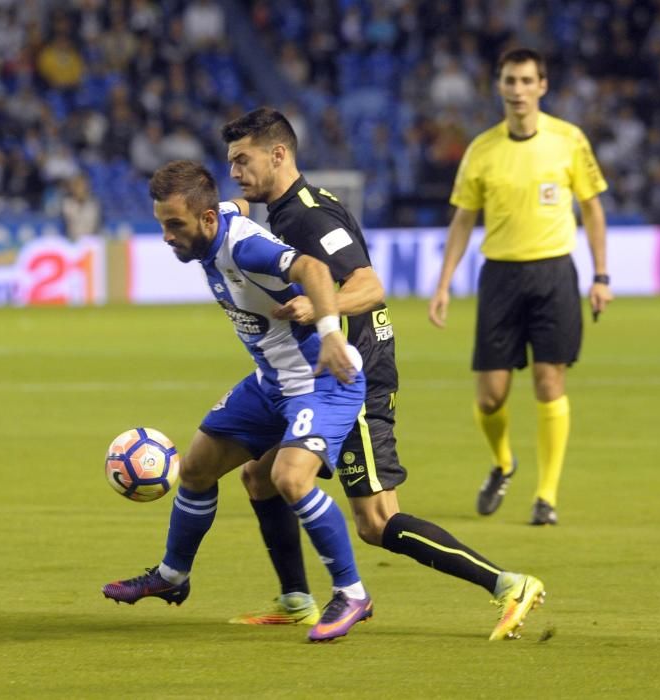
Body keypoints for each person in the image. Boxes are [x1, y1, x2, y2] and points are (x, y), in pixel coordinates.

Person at [220, 107, 544, 641]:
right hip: (318, 378)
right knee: (259, 476)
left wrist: (316, 311)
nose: (235, 171)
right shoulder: (285, 210)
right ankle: (296, 599)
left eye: (242, 160)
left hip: (355, 376)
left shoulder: (308, 217)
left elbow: (370, 285)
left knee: (375, 522)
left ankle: (508, 583)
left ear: (278, 154)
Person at [102, 159, 372, 643]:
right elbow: (237, 203)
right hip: (271, 382)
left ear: (206, 221)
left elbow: (310, 266)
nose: (166, 236)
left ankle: (352, 592)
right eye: (162, 223)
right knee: (199, 467)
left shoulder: (245, 247)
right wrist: (230, 202)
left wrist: (330, 331)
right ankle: (172, 577)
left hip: (322, 377)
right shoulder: (218, 214)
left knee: (287, 478)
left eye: (174, 225)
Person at [428, 48, 611, 526]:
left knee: (550, 383)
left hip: (554, 273)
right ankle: (504, 463)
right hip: (501, 277)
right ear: (499, 86)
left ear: (542, 86)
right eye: (510, 80)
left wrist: (601, 275)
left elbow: (592, 209)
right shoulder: (482, 150)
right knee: (490, 396)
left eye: (527, 81)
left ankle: (546, 496)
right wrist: (444, 284)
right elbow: (464, 219)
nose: (518, 90)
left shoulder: (569, 141)